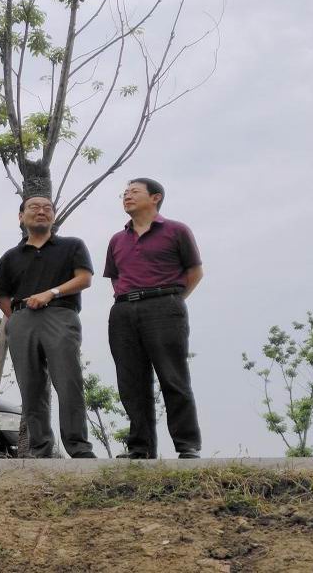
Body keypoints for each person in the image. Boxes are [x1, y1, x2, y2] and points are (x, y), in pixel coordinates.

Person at [104, 178, 204, 459]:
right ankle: (140, 447)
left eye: (134, 191)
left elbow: (195, 272)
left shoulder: (176, 230)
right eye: (125, 193)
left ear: (155, 197)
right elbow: (115, 277)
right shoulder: (117, 239)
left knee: (173, 376)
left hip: (164, 306)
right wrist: (129, 299)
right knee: (131, 381)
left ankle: (187, 444)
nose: (127, 196)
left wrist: (172, 301)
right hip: (123, 311)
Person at [0, 195, 97, 459]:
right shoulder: (10, 257)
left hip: (60, 314)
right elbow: (1, 297)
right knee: (31, 387)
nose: (41, 211)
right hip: (21, 320)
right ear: (21, 217)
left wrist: (51, 293)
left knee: (68, 381)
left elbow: (84, 279)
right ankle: (40, 449)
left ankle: (78, 447)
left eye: (47, 208)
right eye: (34, 207)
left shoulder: (72, 246)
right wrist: (19, 318)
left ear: (53, 215)